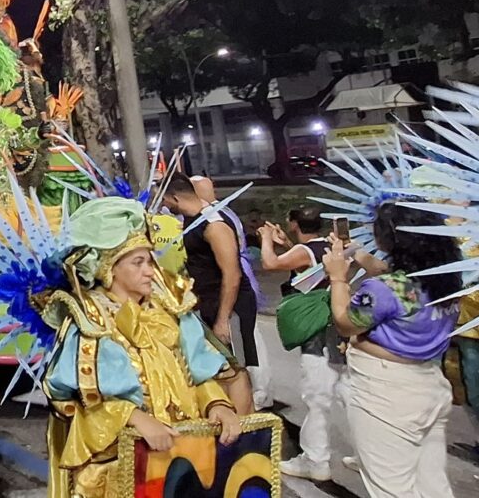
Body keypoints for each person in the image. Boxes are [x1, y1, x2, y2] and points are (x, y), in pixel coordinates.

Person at [44, 196, 243, 494]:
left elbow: (196, 373)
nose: (151, 270)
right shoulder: (91, 322)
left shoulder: (170, 312)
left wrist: (218, 404)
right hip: (122, 468)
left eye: (150, 260)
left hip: (185, 460)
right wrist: (134, 418)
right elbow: (73, 399)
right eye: (138, 262)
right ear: (107, 269)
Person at [323, 203, 461, 498]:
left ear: (391, 241)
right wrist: (356, 253)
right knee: (433, 484)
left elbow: (346, 323)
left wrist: (337, 277)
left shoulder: (383, 290)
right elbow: (395, 280)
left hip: (386, 393)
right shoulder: (446, 278)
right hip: (429, 384)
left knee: (391, 488)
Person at [165, 179, 266, 410]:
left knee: (237, 370)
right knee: (220, 368)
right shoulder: (193, 220)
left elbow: (232, 275)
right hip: (209, 303)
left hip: (231, 307)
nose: (163, 204)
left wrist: (223, 320)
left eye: (164, 199)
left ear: (176, 197)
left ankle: (248, 426)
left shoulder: (213, 223)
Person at [259, 206, 343, 482]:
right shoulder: (328, 247)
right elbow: (306, 259)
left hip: (315, 326)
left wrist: (267, 240)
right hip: (335, 325)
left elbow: (270, 264)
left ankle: (315, 460)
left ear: (294, 223)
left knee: (316, 394)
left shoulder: (305, 252)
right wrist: (288, 244)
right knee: (338, 389)